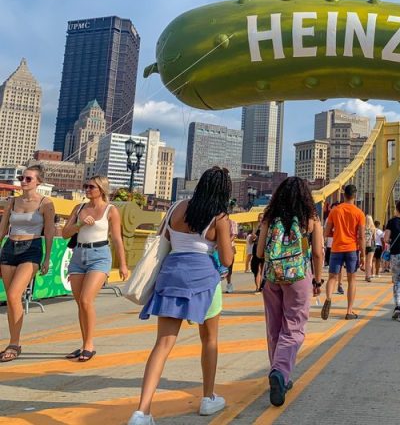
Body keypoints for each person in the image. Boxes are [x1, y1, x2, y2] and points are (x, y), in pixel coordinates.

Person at [128, 166, 234, 425]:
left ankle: (141, 413)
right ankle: (208, 398)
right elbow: (228, 259)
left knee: (162, 345)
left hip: (171, 274)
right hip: (204, 280)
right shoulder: (219, 217)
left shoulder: (175, 207)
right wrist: (226, 237)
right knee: (209, 340)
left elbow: (163, 239)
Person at [256, 177, 325, 406]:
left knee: (274, 327)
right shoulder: (311, 218)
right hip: (298, 276)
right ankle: (280, 373)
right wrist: (317, 279)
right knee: (294, 327)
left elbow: (259, 252)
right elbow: (317, 253)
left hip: (273, 276)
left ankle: (279, 373)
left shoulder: (270, 216)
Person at [61, 175, 129, 363]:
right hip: (78, 256)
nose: (87, 189)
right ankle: (84, 344)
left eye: (91, 186)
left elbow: (117, 239)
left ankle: (89, 345)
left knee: (86, 300)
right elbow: (65, 233)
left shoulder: (111, 210)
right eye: (86, 186)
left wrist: (123, 264)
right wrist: (80, 224)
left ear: (101, 189)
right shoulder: (79, 208)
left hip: (99, 256)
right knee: (80, 304)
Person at [0, 166, 55, 363]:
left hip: (31, 247)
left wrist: (47, 258)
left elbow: (49, 231)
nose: (23, 181)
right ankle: (13, 341)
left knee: (15, 294)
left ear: (38, 182)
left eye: (28, 179)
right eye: (21, 178)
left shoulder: (45, 203)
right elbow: (3, 229)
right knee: (11, 300)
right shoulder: (12, 201)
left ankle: (14, 344)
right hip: (9, 247)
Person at [321, 185, 365, 321]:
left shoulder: (335, 211)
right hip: (352, 249)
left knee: (332, 277)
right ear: (355, 196)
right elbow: (362, 236)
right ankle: (349, 311)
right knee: (352, 279)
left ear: (343, 195)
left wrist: (323, 245)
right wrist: (362, 254)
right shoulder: (359, 213)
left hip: (336, 248)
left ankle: (328, 298)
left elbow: (326, 232)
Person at [250, 223, 265, 292]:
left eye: (261, 218)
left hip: (265, 250)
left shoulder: (267, 229)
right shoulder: (256, 230)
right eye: (259, 218)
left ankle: (261, 286)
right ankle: (258, 287)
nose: (260, 220)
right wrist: (253, 237)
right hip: (256, 250)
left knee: (263, 269)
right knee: (256, 270)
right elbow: (250, 242)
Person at [364, 215, 377, 282]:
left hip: (364, 246)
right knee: (370, 261)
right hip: (371, 246)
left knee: (366, 261)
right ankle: (368, 276)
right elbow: (374, 238)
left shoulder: (363, 227)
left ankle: (366, 275)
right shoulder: (373, 228)